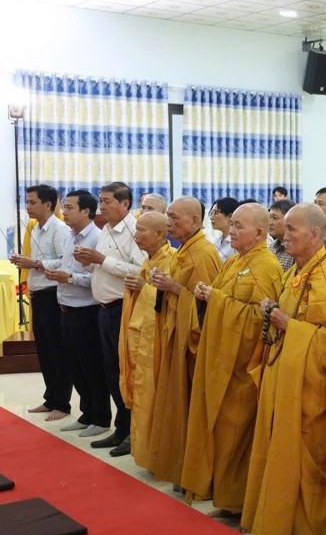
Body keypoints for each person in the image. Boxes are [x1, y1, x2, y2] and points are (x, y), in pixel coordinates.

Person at [243, 203, 326, 535]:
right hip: (285, 378)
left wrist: (289, 325)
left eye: (292, 229)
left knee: (308, 463)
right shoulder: (299, 272)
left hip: (310, 389)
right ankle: (281, 528)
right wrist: (274, 313)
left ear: (315, 234)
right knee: (279, 454)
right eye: (285, 229)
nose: (284, 235)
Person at [182, 204, 283, 517]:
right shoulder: (235, 261)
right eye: (233, 224)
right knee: (219, 430)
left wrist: (216, 299)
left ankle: (238, 502)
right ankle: (221, 493)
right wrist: (208, 295)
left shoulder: (266, 266)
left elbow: (261, 319)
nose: (232, 231)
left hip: (243, 368)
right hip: (220, 358)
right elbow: (223, 298)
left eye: (239, 226)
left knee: (237, 434)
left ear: (259, 233)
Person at [145, 196, 222, 480]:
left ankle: (193, 468)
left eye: (174, 217)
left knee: (191, 404)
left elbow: (209, 304)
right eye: (168, 216)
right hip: (176, 334)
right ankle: (178, 462)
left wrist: (175, 288)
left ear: (194, 220)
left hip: (194, 343)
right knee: (176, 403)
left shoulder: (203, 253)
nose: (168, 222)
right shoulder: (183, 250)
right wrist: (165, 284)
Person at [73, 182, 148, 456]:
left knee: (126, 373)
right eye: (100, 200)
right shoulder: (105, 229)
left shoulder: (135, 231)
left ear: (125, 204)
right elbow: (104, 266)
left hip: (123, 309)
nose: (101, 206)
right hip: (103, 309)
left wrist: (102, 260)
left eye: (107, 201)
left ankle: (132, 433)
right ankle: (121, 428)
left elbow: (141, 271)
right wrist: (91, 262)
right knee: (111, 373)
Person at [49, 190, 110, 436]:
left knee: (92, 366)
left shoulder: (97, 238)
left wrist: (70, 277)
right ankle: (87, 413)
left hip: (87, 311)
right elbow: (65, 266)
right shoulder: (69, 236)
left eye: (69, 207)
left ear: (86, 211)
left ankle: (101, 418)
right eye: (64, 206)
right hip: (66, 309)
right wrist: (54, 271)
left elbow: (99, 278)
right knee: (75, 366)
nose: (64, 211)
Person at [119, 211, 175, 468]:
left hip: (158, 343)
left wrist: (145, 289)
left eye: (141, 230)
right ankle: (143, 450)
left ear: (160, 234)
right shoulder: (149, 260)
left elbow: (174, 299)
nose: (136, 234)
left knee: (153, 395)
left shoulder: (171, 259)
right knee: (141, 392)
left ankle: (157, 455)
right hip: (141, 337)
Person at [11, 184, 71, 421]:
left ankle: (62, 403)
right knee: (44, 351)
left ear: (48, 204)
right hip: (38, 295)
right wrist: (26, 261)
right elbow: (40, 261)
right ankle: (51, 398)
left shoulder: (60, 229)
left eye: (32, 202)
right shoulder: (35, 229)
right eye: (26, 202)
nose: (28, 207)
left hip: (53, 295)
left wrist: (35, 264)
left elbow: (65, 262)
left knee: (57, 350)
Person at [267, 198, 295, 271]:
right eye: (269, 217)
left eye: (274, 218)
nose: (270, 223)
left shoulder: (296, 250)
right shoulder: (272, 246)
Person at [209, 196, 239, 261]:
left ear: (231, 216)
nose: (211, 217)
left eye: (216, 213)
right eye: (211, 213)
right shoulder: (216, 240)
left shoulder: (238, 242)